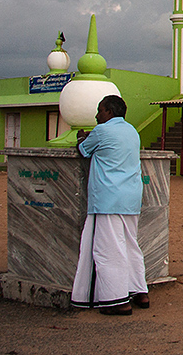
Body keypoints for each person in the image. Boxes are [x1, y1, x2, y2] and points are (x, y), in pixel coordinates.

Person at [70, 95, 149, 315]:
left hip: (107, 200)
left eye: (100, 110)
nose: (97, 115)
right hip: (131, 198)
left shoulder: (102, 131)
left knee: (108, 250)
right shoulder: (133, 131)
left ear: (110, 112)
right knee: (130, 245)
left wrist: (80, 137)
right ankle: (139, 291)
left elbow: (83, 150)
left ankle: (116, 300)